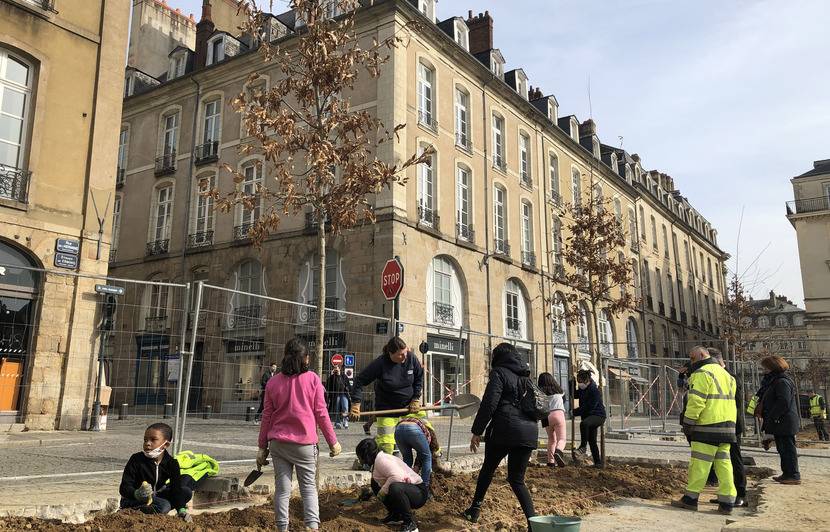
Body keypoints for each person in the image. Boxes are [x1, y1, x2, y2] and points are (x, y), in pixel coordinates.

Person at [257, 338, 342, 531]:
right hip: (305, 444)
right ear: (306, 359)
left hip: (278, 444)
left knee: (282, 490)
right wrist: (333, 442)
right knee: (309, 489)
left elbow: (266, 416)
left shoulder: (272, 383)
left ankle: (282, 528)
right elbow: (321, 413)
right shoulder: (313, 379)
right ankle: (311, 528)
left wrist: (262, 447)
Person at [462, 343, 537, 528]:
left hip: (504, 431)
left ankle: (474, 509)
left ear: (498, 357)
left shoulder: (499, 373)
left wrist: (477, 432)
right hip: (528, 432)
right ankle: (534, 523)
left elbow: (489, 404)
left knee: (487, 470)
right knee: (517, 480)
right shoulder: (526, 377)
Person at [672, 346, 737, 515]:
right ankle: (727, 502)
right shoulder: (727, 375)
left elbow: (696, 401)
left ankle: (690, 499)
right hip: (727, 427)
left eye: (692, 358)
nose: (691, 362)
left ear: (702, 355)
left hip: (706, 426)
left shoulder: (702, 373)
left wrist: (688, 423)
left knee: (699, 464)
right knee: (724, 464)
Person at [350, 337, 428, 454]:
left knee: (427, 432)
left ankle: (434, 460)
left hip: (409, 407)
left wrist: (416, 399)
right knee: (387, 446)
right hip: (387, 410)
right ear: (391, 354)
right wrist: (356, 403)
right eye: (401, 354)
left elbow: (419, 378)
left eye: (405, 352)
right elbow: (359, 380)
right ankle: (375, 459)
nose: (405, 356)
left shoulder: (411, 358)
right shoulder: (380, 363)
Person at [119, 422, 193, 522]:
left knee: (186, 492)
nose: (147, 443)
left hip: (155, 497)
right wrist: (136, 493)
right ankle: (132, 511)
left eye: (153, 440)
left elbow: (176, 489)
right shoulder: (136, 459)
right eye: (145, 440)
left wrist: (181, 510)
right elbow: (124, 488)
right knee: (164, 506)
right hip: (133, 499)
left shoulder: (172, 463)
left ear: (165, 444)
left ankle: (156, 510)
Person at [356, 437, 426, 532]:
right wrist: (375, 492)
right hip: (410, 489)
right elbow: (382, 480)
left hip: (419, 492)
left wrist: (383, 491)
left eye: (360, 458)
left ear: (366, 456)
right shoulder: (379, 459)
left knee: (395, 487)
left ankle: (410, 523)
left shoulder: (381, 460)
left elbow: (397, 477)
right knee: (375, 484)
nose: (361, 461)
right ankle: (396, 515)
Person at [706, 349, 747, 507]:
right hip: (718, 426)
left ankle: (741, 494)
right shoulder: (717, 376)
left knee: (735, 460)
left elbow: (735, 404)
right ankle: (726, 494)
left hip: (731, 426)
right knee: (722, 462)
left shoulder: (731, 378)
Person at [759, 355, 801, 485]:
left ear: (772, 367)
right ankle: (787, 473)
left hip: (784, 421)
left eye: (765, 367)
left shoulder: (781, 382)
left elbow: (783, 401)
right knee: (782, 448)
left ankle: (793, 474)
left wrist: (774, 416)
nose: (764, 370)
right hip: (781, 421)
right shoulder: (775, 381)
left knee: (787, 448)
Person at [394, 415, 439, 490]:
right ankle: (424, 487)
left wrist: (415, 470)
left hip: (398, 429)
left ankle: (404, 485)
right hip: (413, 428)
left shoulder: (424, 427)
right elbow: (422, 455)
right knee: (427, 457)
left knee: (407, 458)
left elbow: (419, 454)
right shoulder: (429, 435)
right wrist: (417, 471)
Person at [573, 369, 606, 467]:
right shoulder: (583, 389)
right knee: (592, 441)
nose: (580, 384)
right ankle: (598, 463)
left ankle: (583, 446)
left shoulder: (594, 390)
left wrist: (576, 412)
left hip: (598, 415)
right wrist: (572, 384)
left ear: (587, 380)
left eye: (581, 382)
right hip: (588, 416)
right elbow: (575, 395)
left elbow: (590, 406)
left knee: (584, 424)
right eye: (578, 381)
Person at [538, 372, 566, 467]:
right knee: (561, 439)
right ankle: (558, 452)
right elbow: (565, 400)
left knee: (551, 439)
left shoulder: (540, 393)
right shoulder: (559, 391)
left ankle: (551, 462)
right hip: (558, 414)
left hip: (545, 417)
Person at [326, 365, 351, 429]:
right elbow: (328, 385)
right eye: (334, 368)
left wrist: (339, 375)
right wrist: (332, 375)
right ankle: (337, 422)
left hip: (343, 394)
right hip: (335, 395)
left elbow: (347, 385)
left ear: (339, 369)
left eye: (336, 368)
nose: (335, 369)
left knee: (345, 406)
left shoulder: (343, 376)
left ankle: (345, 420)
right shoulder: (332, 377)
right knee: (336, 408)